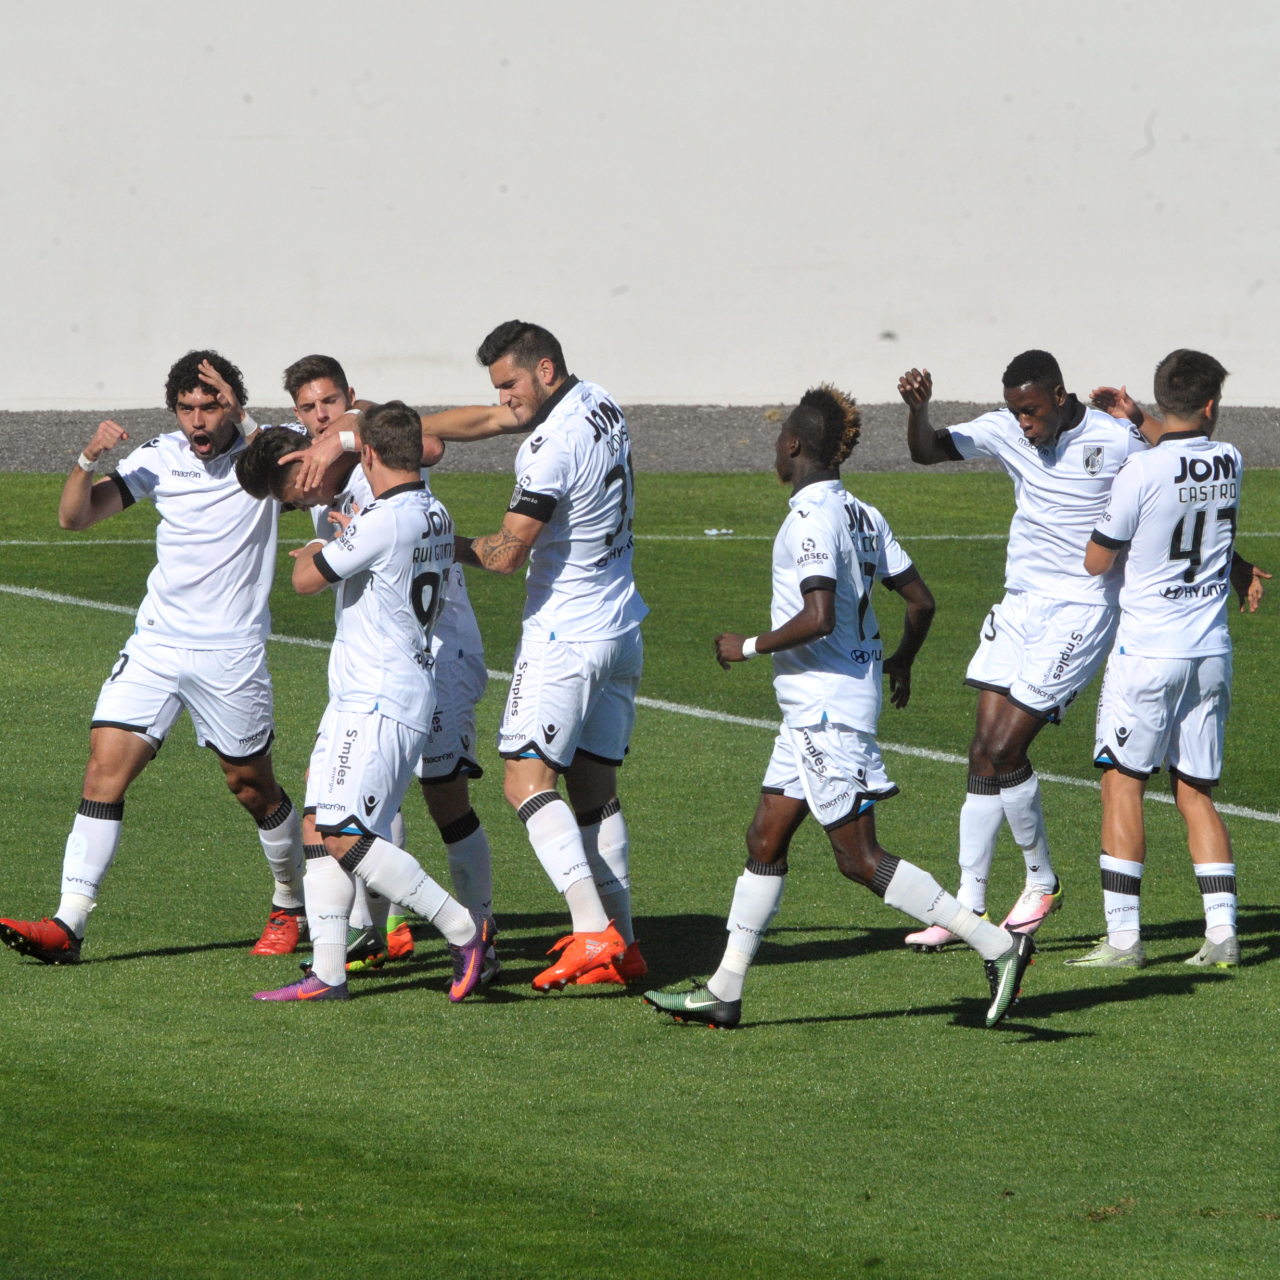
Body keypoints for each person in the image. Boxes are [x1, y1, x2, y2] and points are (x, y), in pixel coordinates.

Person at [643, 386, 1035, 1029]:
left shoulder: (811, 520)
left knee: (859, 859)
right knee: (764, 837)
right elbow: (921, 602)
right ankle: (724, 988)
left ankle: (997, 943)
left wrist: (746, 646)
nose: (776, 448)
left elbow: (819, 616)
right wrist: (901, 660)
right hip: (818, 709)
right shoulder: (863, 514)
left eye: (779, 440)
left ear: (793, 446)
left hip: (826, 711)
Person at [0, 352, 308, 964]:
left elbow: (299, 470)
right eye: (187, 407)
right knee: (101, 774)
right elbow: (74, 517)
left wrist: (245, 417)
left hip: (230, 652)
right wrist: (89, 458)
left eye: (211, 405)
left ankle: (289, 901)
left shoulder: (267, 453)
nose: (198, 420)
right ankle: (69, 922)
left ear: (233, 406)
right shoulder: (159, 457)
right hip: (156, 645)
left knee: (252, 788)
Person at [896, 351, 1156, 951]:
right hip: (1019, 606)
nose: (1024, 425)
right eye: (1016, 412)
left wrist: (1235, 561)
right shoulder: (1005, 429)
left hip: (1082, 610)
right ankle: (968, 908)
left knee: (1008, 746)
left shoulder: (1115, 440)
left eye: (1032, 411)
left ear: (1061, 397)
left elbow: (1172, 475)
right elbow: (926, 450)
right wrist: (920, 410)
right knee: (983, 751)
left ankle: (1042, 880)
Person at [254, 401, 492, 1002]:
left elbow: (306, 581)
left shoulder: (384, 519)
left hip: (380, 697)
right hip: (366, 691)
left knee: (342, 832)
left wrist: (315, 547)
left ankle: (463, 929)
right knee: (316, 824)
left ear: (368, 454)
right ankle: (329, 971)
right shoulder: (433, 511)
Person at [453, 320, 649, 991]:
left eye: (509, 384)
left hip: (567, 635)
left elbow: (507, 555)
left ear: (542, 370)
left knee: (523, 781)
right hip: (622, 625)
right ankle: (626, 943)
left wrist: (441, 537)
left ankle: (592, 929)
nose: (503, 400)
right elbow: (495, 421)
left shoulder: (548, 448)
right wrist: (423, 428)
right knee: (594, 789)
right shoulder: (601, 402)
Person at [1067, 351, 1246, 969]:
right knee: (1194, 791)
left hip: (1146, 654)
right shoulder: (1232, 460)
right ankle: (1222, 935)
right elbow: (1186, 455)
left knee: (1122, 784)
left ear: (1161, 396)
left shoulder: (1138, 474)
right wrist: (1139, 417)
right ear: (1212, 406)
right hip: (1211, 654)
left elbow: (1097, 560)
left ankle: (1123, 941)